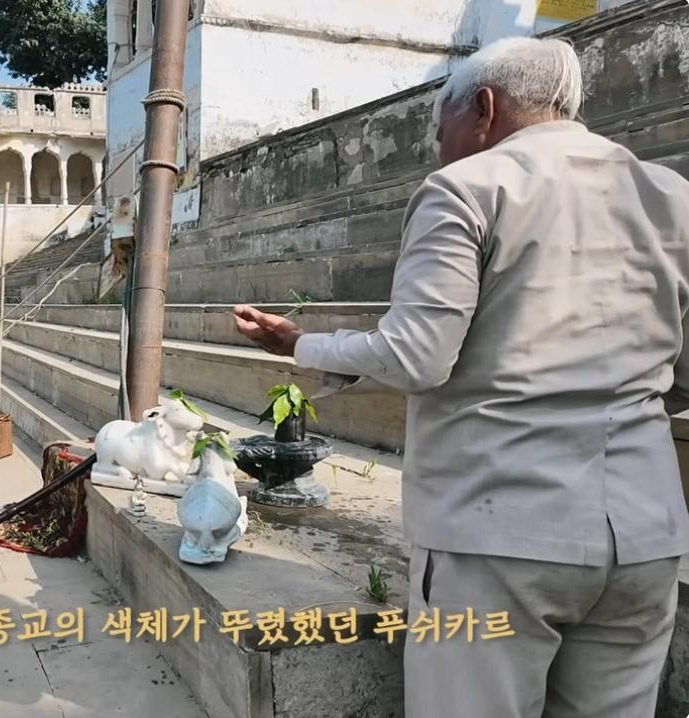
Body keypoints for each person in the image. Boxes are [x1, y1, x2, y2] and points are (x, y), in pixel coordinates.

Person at [232, 37, 689, 717]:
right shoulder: (670, 195)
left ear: (483, 106)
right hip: (646, 537)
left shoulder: (468, 188)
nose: (435, 144)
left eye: (436, 124)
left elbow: (418, 354)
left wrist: (304, 345)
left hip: (501, 536)